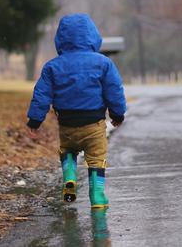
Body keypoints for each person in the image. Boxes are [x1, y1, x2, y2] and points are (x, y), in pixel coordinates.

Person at [26, 13, 126, 209]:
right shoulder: (103, 63)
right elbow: (114, 90)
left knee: (68, 151)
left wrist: (35, 120)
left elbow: (42, 94)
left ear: (61, 38)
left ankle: (70, 176)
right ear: (92, 36)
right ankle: (97, 195)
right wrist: (117, 114)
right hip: (94, 124)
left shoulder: (52, 67)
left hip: (67, 125)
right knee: (96, 158)